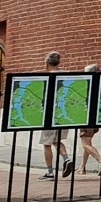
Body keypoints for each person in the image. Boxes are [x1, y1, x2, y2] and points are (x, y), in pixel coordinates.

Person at [40, 51, 72, 180]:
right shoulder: (67, 76)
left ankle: (50, 172)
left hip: (50, 114)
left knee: (47, 143)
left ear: (47, 63)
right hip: (63, 114)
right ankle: (66, 158)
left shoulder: (47, 78)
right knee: (57, 141)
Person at [76, 63, 101, 177]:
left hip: (86, 118)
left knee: (85, 144)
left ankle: (100, 160)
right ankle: (82, 167)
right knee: (87, 143)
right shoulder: (100, 85)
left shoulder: (86, 86)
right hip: (96, 118)